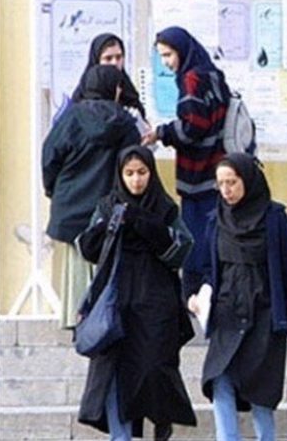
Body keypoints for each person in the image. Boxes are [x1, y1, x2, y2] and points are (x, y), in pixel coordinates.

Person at [187, 153, 287, 441]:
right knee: (218, 378)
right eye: (221, 184)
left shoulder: (274, 218)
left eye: (232, 182)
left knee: (261, 391)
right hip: (226, 311)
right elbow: (208, 268)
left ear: (248, 180)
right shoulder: (215, 220)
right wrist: (197, 296)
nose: (226, 190)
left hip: (264, 314)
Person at [77, 146, 197, 440]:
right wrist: (109, 226)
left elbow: (182, 249)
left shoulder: (165, 208)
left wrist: (146, 224)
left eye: (142, 173)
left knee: (154, 369)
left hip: (155, 302)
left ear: (151, 173)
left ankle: (162, 419)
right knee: (114, 374)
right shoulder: (107, 206)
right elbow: (88, 248)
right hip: (115, 302)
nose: (136, 180)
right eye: (129, 173)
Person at [43, 65, 141, 329]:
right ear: (114, 89)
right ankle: (105, 323)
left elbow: (50, 157)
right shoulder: (126, 124)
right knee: (108, 267)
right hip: (110, 211)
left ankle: (79, 322)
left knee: (76, 273)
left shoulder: (71, 118)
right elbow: (132, 165)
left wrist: (54, 190)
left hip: (71, 207)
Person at [142, 26, 232, 300]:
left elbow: (194, 126)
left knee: (195, 240)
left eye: (168, 55)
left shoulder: (191, 79)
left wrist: (163, 132)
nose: (166, 62)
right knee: (214, 235)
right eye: (162, 56)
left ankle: (195, 295)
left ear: (182, 51)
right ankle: (212, 290)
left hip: (198, 173)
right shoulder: (213, 74)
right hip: (218, 168)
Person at [71, 33, 146, 118]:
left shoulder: (127, 90)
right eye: (108, 58)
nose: (114, 63)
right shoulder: (84, 94)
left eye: (119, 57)